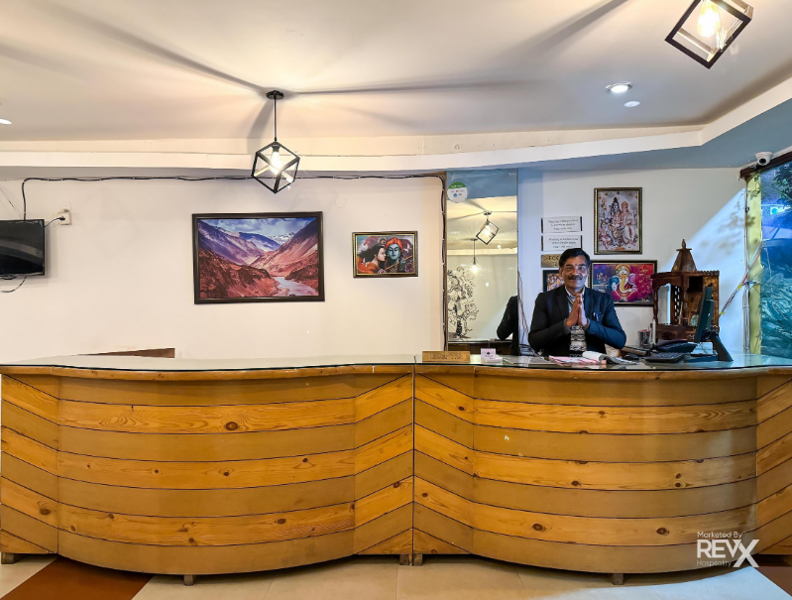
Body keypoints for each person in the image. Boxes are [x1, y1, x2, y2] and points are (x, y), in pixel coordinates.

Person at [528, 248, 626, 356]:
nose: (575, 273)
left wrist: (588, 324)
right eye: (569, 268)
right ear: (561, 271)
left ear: (588, 271)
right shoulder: (545, 299)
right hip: (556, 364)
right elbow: (534, 341)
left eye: (581, 268)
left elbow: (620, 341)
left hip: (593, 364)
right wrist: (566, 324)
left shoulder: (603, 300)